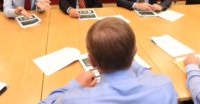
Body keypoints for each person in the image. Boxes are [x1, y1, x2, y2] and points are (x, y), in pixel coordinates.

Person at [40, 17, 178, 104]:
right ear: (135, 52)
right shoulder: (165, 86)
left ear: (91, 62)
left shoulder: (73, 99)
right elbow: (150, 77)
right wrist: (125, 53)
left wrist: (75, 84)